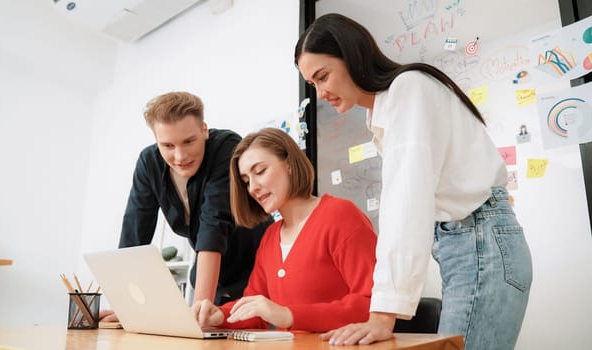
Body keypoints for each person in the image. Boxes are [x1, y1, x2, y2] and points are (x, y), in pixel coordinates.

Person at [294, 13, 533, 349]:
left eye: (323, 77)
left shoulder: (408, 89)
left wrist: (382, 314)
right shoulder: (380, 111)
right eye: (313, 84)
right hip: (471, 241)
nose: (320, 94)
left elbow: (406, 202)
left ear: (352, 55)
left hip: (481, 240)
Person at [101, 92, 269, 322]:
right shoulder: (148, 163)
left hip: (257, 270)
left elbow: (214, 225)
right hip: (213, 280)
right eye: (168, 145)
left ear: (204, 130)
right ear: (156, 140)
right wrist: (124, 308)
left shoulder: (226, 148)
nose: (180, 156)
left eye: (189, 141)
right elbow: (133, 236)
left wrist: (199, 310)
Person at [193, 127, 377, 332]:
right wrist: (221, 315)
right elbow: (254, 309)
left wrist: (287, 315)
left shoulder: (340, 215)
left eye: (260, 171)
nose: (252, 187)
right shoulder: (271, 236)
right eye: (246, 181)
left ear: (289, 164)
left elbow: (374, 303)